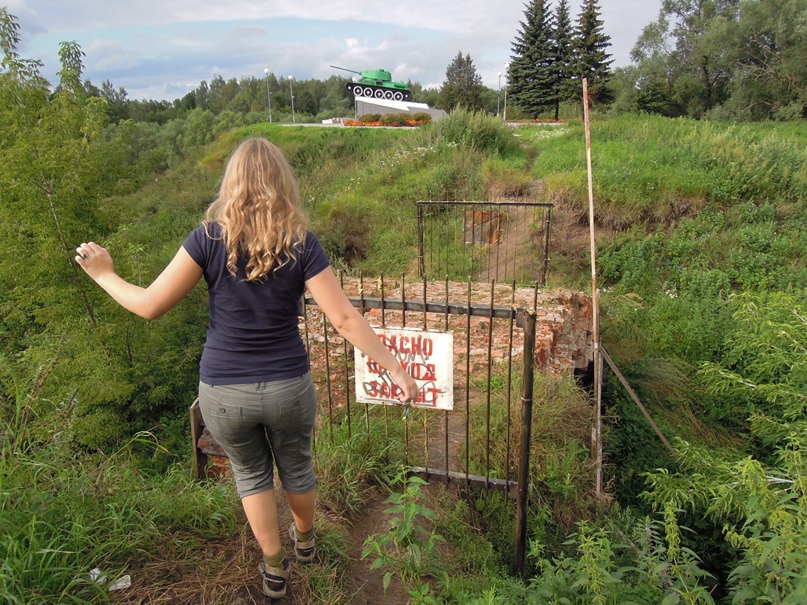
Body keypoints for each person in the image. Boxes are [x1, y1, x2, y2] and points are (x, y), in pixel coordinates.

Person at [75, 137, 419, 600]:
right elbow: (342, 319)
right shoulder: (302, 244)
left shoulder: (207, 239)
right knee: (297, 467)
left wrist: (103, 274)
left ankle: (275, 570)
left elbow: (150, 305)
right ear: (284, 184)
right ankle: (307, 541)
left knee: (251, 475)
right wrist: (395, 367)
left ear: (231, 183)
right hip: (288, 387)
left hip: (224, 389)